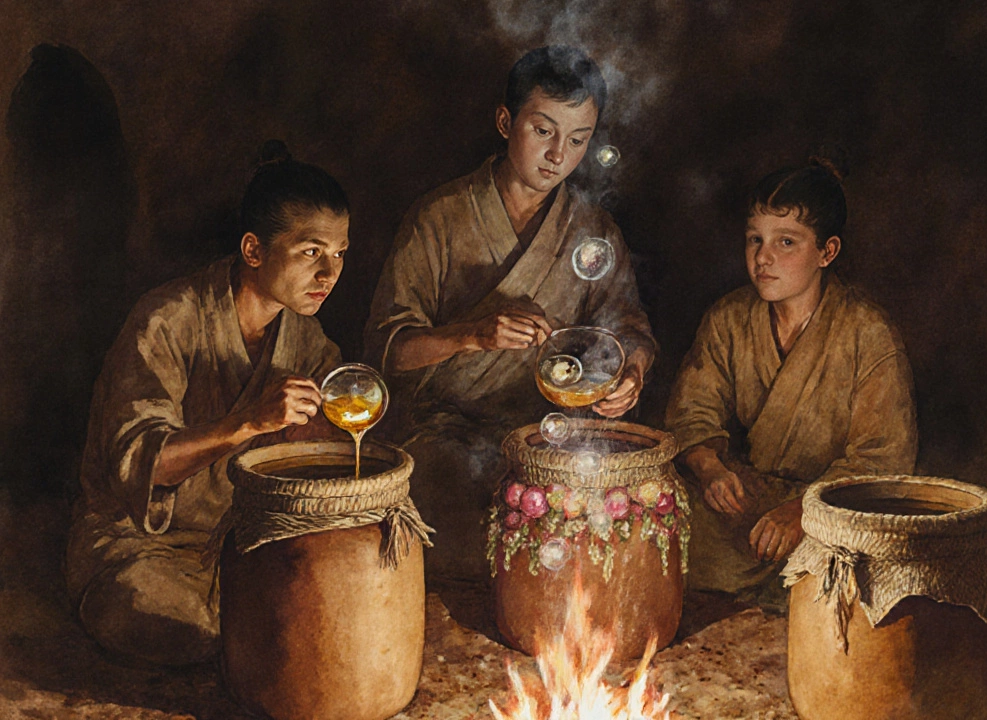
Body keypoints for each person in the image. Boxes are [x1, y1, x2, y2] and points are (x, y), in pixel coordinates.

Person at [364, 46, 656, 582]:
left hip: (553, 437)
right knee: (449, 520)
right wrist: (471, 335)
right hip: (446, 433)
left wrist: (630, 375)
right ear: (505, 122)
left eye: (578, 139)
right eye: (543, 131)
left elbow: (629, 330)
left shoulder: (593, 231)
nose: (558, 155)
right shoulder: (439, 217)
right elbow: (387, 351)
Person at [66, 141, 350, 665]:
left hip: (239, 546)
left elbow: (324, 447)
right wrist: (248, 422)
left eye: (339, 254)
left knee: (324, 610)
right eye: (311, 252)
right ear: (254, 251)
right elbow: (144, 465)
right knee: (197, 625)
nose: (328, 274)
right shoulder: (166, 319)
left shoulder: (308, 341)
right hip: (141, 548)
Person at [664, 158, 917, 601]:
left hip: (830, 513)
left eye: (785, 242)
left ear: (827, 252)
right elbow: (692, 412)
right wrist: (711, 471)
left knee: (849, 567)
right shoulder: (729, 318)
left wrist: (802, 513)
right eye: (755, 240)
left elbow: (881, 460)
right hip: (746, 506)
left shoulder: (868, 333)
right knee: (660, 524)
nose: (763, 258)